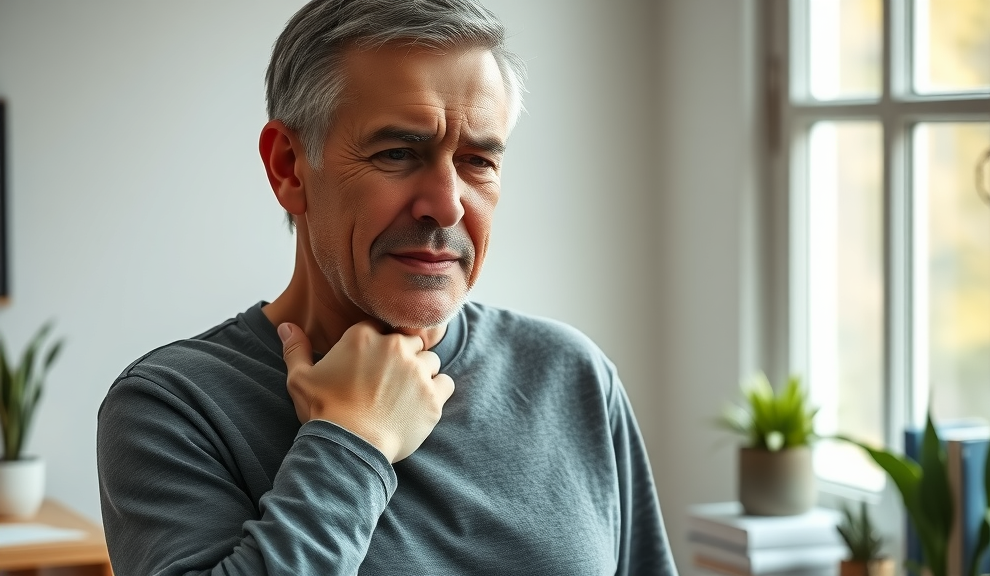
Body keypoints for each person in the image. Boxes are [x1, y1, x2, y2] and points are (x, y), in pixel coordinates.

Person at [96, 1, 678, 574]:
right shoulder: (174, 407)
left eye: (477, 161)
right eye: (398, 153)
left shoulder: (571, 374)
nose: (447, 205)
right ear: (289, 167)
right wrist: (352, 443)